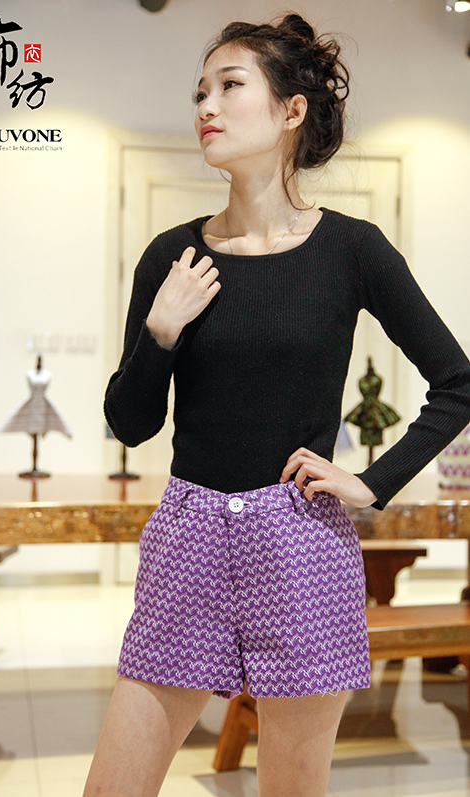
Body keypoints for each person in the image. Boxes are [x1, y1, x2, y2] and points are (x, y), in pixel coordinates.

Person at [84, 12, 470, 797]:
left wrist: (372, 482)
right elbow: (130, 423)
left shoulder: (352, 249)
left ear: (291, 110)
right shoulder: (172, 257)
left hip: (300, 545)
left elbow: (456, 381)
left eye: (229, 86)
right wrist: (160, 331)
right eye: (200, 91)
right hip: (188, 535)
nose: (206, 106)